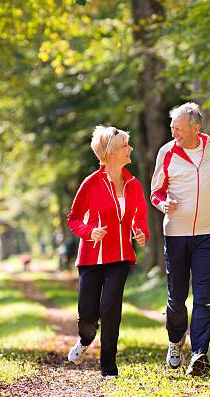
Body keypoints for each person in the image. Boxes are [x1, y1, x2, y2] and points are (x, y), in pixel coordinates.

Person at [150, 102, 210, 376]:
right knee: (177, 299)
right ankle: (175, 341)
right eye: (172, 128)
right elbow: (155, 192)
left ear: (196, 128)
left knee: (203, 296)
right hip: (175, 234)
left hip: (208, 234)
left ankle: (199, 354)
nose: (174, 133)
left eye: (179, 129)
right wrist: (164, 205)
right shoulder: (167, 152)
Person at [66, 126, 149, 379]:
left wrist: (141, 232)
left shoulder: (133, 185)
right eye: (126, 145)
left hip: (121, 255)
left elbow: (140, 217)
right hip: (92, 257)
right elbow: (74, 218)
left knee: (111, 308)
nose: (130, 149)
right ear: (111, 152)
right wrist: (89, 232)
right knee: (88, 318)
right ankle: (84, 339)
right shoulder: (91, 183)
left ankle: (108, 367)